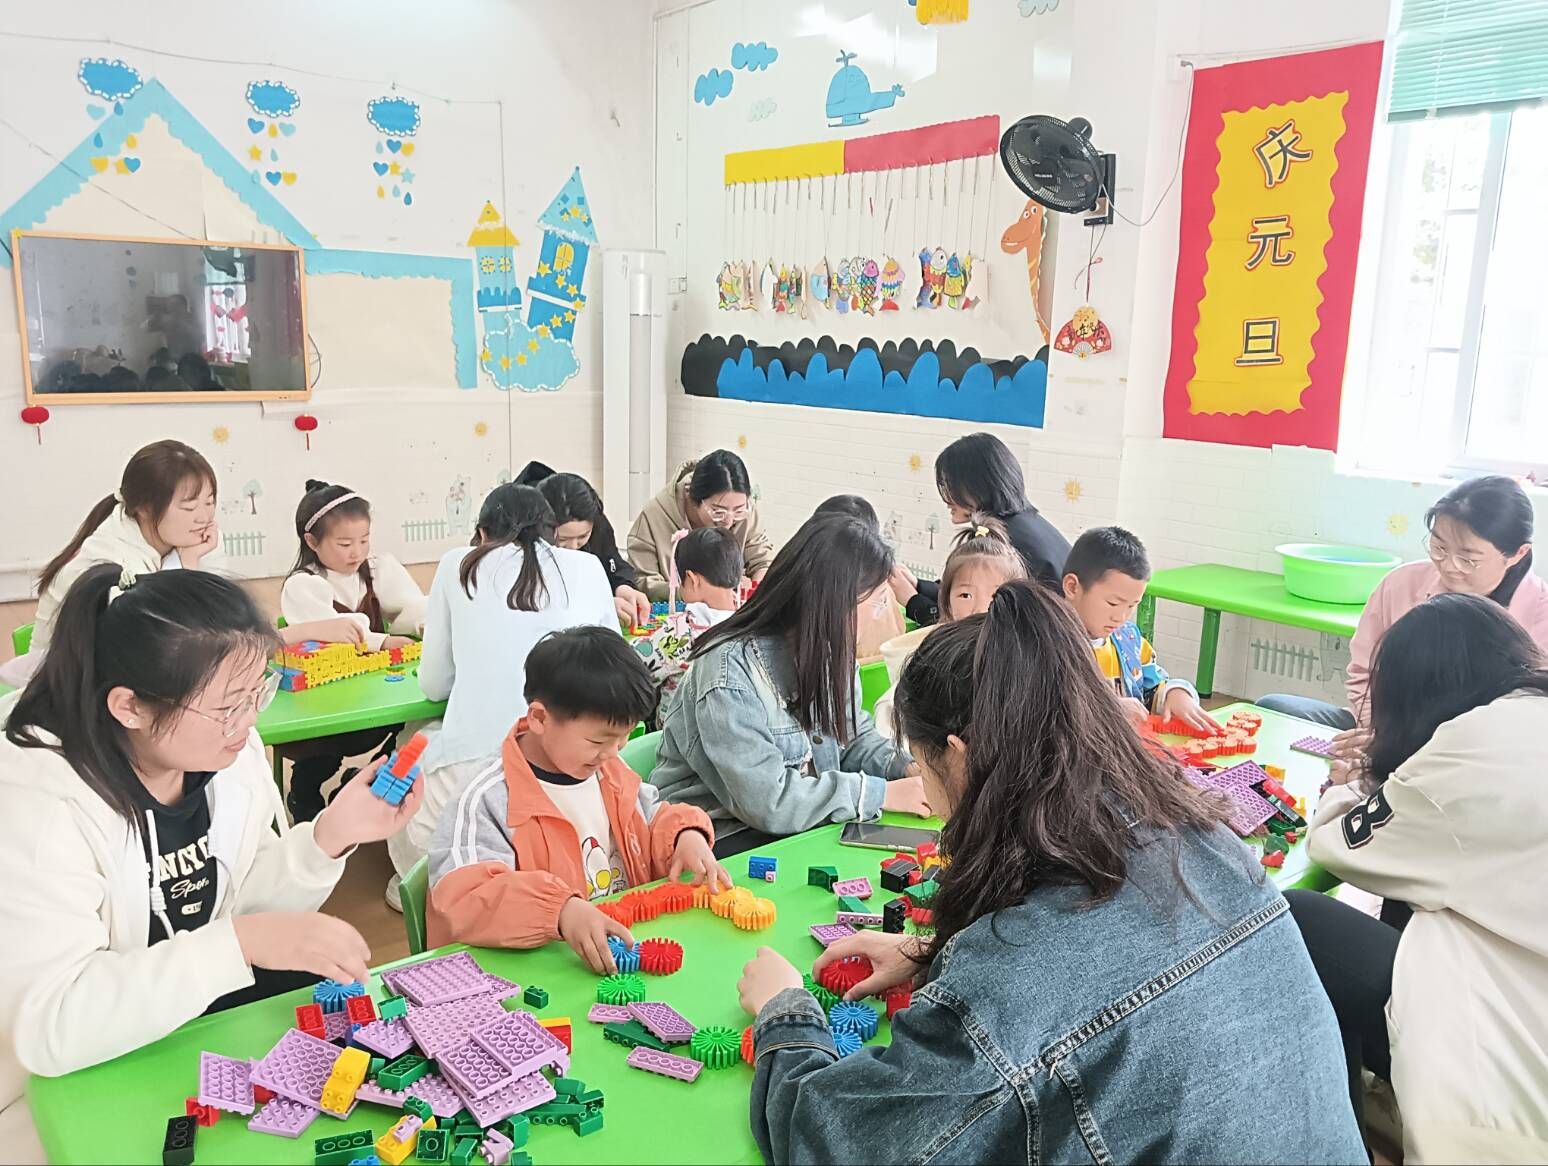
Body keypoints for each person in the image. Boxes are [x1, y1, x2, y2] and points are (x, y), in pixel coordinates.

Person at [735, 581, 1364, 1164]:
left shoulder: (1013, 981)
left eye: (922, 768)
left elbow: (839, 1141)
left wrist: (784, 1012)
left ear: (959, 755)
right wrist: (931, 957)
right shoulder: (1210, 842)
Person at [0, 567, 419, 1163]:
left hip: (181, 1030)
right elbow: (52, 1025)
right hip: (61, 1080)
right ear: (129, 706)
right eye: (227, 706)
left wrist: (329, 836)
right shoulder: (38, 806)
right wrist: (239, 943)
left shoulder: (227, 757)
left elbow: (238, 896)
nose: (249, 722)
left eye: (257, 693)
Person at [1287, 593, 1548, 1162]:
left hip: (1518, 1047)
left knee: (1297, 918)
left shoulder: (1476, 744)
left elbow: (1343, 844)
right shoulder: (1530, 709)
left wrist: (1351, 781)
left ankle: (1339, 1140)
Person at [426, 627, 729, 972]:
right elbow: (463, 896)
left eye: (623, 738)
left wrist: (684, 836)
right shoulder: (487, 798)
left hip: (618, 959)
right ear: (539, 718)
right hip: (539, 974)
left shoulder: (608, 771)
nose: (613, 752)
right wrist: (559, 910)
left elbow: (651, 817)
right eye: (598, 741)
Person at [651, 515, 928, 856]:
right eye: (878, 602)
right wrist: (879, 794)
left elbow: (851, 738)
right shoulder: (729, 669)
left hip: (795, 827)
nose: (878, 616)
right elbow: (767, 801)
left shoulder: (830, 652)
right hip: (713, 840)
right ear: (836, 603)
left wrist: (905, 768)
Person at [390, 484, 618, 882]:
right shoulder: (588, 567)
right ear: (553, 533)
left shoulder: (459, 564)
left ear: (482, 534)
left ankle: (411, 882)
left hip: (478, 765)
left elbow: (434, 685)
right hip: (574, 758)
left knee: (408, 747)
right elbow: (613, 670)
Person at [1259, 474, 1546, 734]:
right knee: (1273, 709)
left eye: (1468, 558)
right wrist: (1375, 737)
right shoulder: (1401, 584)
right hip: (1386, 732)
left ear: (1518, 554)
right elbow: (1364, 673)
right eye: (1439, 547)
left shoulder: (1540, 613)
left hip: (1474, 752)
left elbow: (1528, 717)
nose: (1448, 566)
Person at [0, 440, 224, 689]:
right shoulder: (107, 563)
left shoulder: (194, 540)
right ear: (144, 508)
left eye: (209, 502)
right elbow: (152, 647)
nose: (204, 517)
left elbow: (217, 620)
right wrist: (187, 567)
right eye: (189, 507)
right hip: (68, 688)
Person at [279, 481, 427, 823]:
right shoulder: (304, 585)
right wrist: (381, 641)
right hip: (325, 700)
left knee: (410, 728)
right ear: (312, 542)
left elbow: (411, 606)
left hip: (372, 692)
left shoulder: (376, 570)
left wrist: (425, 623)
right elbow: (338, 630)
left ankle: (367, 783)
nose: (356, 552)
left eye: (364, 540)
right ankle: (303, 793)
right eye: (344, 544)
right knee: (322, 754)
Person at [889, 432, 1071, 625]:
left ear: (977, 484)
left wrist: (912, 602)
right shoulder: (1025, 523)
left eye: (950, 484)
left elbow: (979, 627)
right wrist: (920, 586)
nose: (946, 497)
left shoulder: (1006, 543)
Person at [872, 517, 1027, 738]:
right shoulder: (929, 657)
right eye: (965, 595)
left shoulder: (1025, 660)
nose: (979, 608)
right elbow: (894, 714)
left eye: (995, 595)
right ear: (946, 602)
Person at [1062, 526, 1217, 732]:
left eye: (1132, 605)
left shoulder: (1127, 639)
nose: (1121, 617)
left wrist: (1176, 694)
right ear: (1072, 587)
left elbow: (1152, 687)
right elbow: (1042, 711)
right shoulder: (1044, 642)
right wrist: (1107, 710)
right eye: (1113, 603)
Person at [515, 461, 653, 629]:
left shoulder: (596, 522)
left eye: (582, 537)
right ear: (541, 527)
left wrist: (623, 586)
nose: (574, 546)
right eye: (562, 539)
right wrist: (600, 604)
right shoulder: (518, 533)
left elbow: (612, 563)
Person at [626, 450, 774, 600]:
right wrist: (696, 593)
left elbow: (763, 562)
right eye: (718, 512)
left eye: (738, 511)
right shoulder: (655, 517)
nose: (729, 522)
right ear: (694, 498)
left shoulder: (744, 512)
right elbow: (642, 583)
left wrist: (756, 591)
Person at [632, 527, 742, 725]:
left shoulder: (681, 631)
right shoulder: (749, 625)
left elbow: (635, 663)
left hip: (677, 737)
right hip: (732, 731)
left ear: (691, 580)